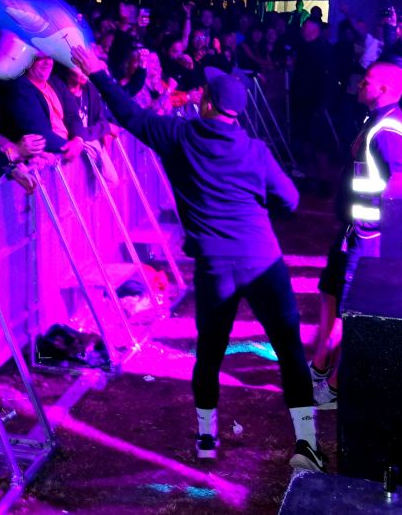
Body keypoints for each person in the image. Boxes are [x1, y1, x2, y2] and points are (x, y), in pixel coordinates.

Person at [71, 44, 325, 473]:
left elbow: (130, 115)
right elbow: (291, 200)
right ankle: (308, 444)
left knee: (209, 351)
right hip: (263, 259)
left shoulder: (179, 135)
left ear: (207, 103)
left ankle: (207, 437)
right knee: (288, 350)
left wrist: (97, 72)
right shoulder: (256, 150)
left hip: (215, 266)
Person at [308, 63, 402, 410]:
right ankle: (320, 365)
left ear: (383, 89)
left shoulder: (389, 131)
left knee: (352, 310)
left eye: (366, 81)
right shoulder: (376, 120)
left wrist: (376, 233)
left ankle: (335, 387)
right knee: (329, 290)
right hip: (354, 229)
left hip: (369, 236)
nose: (359, 84)